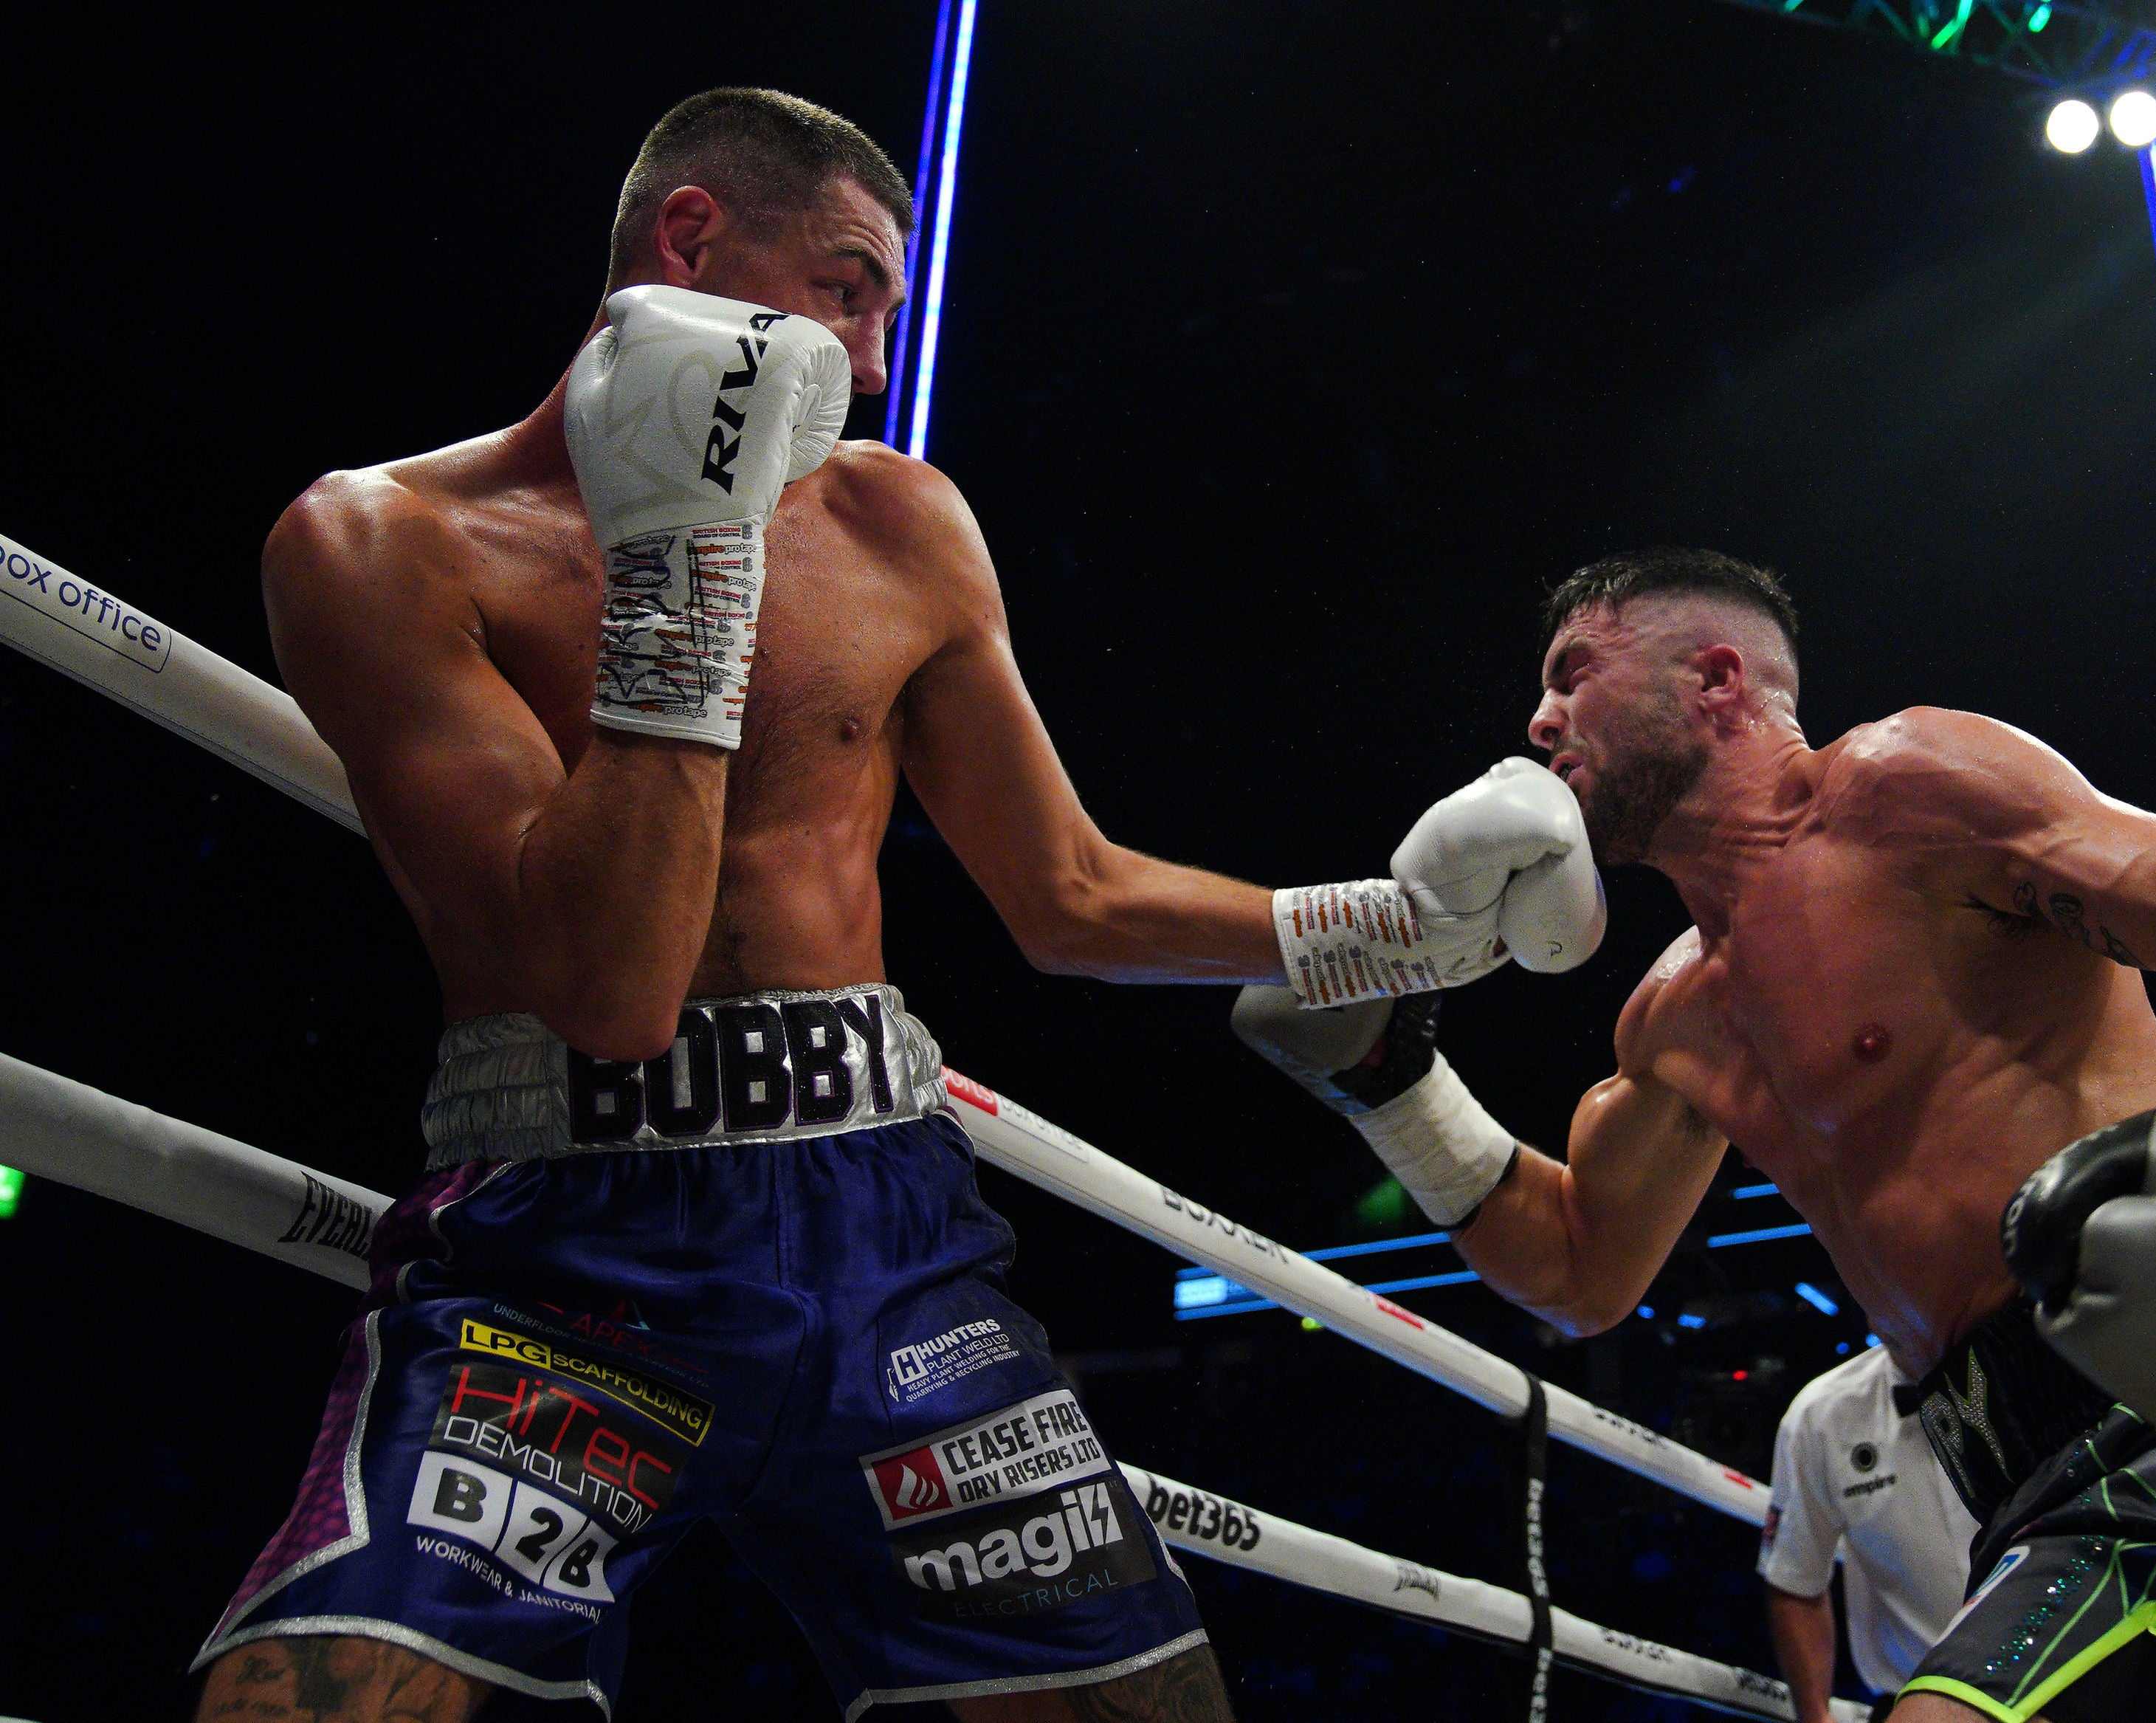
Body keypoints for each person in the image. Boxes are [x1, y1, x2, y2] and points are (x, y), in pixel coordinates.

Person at [190, 89, 1602, 1723]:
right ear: (692, 239)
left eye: (886, 315)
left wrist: (1397, 931)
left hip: (890, 1251)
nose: (867, 361)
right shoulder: (380, 543)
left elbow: (1071, 896)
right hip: (569, 1251)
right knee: (324, 1703)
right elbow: (609, 993)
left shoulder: (899, 522)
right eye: (848, 286)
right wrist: (682, 558)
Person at [1236, 546, 2156, 1723]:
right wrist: (1395, 1087)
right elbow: (1579, 1268)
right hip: (2015, 1480)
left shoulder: (1909, 792)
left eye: (1573, 672)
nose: (1539, 719)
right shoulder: (1678, 1020)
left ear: (1715, 679)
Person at [1760, 1346, 1977, 1723]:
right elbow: (1794, 1578)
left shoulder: (2039, 1367)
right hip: (1916, 1703)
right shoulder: (1821, 1416)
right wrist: (1815, 1717)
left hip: (2069, 1684)